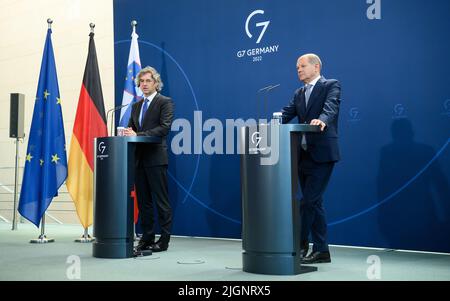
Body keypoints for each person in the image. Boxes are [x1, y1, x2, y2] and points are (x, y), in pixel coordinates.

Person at [280, 53, 341, 264]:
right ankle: (322, 250)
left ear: (316, 67)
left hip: (322, 154)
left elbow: (330, 108)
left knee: (308, 201)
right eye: (297, 67)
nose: (298, 70)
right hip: (302, 155)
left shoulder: (330, 85)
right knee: (315, 203)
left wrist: (322, 120)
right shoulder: (299, 93)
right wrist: (269, 124)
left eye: (302, 66)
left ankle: (300, 244)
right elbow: (285, 114)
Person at [123, 66, 174, 252]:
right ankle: (147, 237)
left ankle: (164, 240)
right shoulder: (136, 106)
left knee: (161, 201)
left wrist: (139, 133)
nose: (144, 84)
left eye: (148, 81)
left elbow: (164, 128)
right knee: (144, 202)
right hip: (138, 160)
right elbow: (131, 128)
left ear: (156, 83)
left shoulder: (165, 102)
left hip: (155, 158)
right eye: (141, 81)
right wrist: (127, 133)